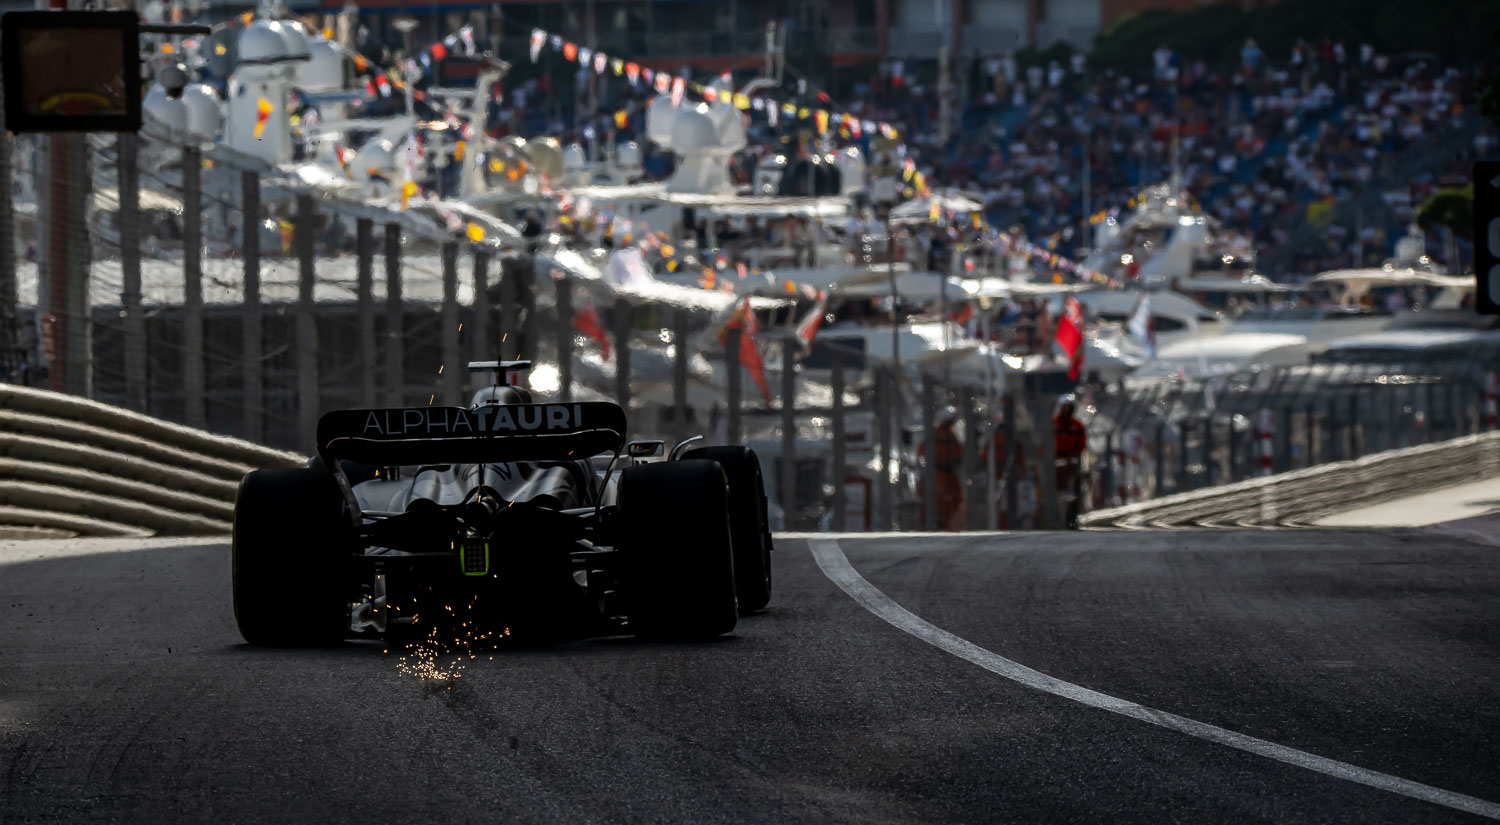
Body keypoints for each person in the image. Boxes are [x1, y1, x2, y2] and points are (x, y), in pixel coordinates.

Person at [918, 406, 966, 531]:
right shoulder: (936, 435)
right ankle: (940, 525)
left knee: (954, 498)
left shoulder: (951, 435)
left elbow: (959, 452)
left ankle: (950, 525)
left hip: (949, 473)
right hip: (938, 473)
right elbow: (922, 452)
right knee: (940, 499)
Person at [1053, 394, 1087, 528]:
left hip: (1073, 461)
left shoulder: (1077, 425)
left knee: (1076, 487)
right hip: (1056, 460)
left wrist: (1074, 456)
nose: (1067, 410)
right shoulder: (1054, 423)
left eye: (1069, 407)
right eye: (1064, 407)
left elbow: (1081, 444)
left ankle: (1072, 517)